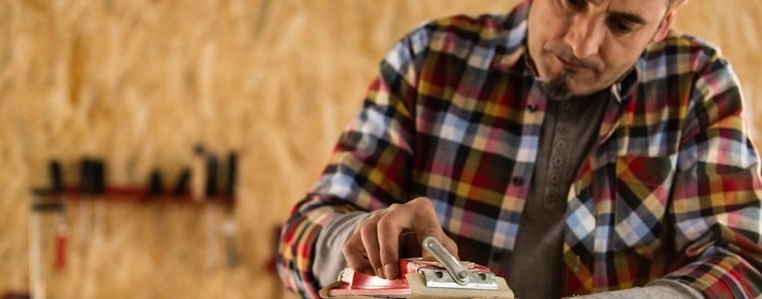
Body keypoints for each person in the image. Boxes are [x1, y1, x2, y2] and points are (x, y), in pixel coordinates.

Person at [277, 0, 762, 298]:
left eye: (622, 25)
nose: (580, 44)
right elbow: (300, 234)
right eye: (571, 0)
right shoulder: (430, 59)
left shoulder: (698, 84)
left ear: (662, 24)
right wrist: (362, 242)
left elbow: (743, 265)